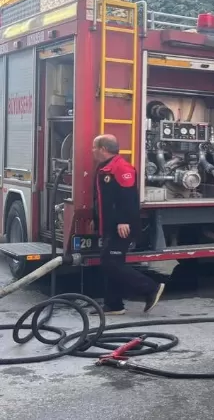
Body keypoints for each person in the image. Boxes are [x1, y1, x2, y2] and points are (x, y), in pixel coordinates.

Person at [91, 134, 165, 315]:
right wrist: (97, 219)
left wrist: (123, 221)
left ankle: (150, 288)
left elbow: (129, 198)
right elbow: (105, 200)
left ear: (103, 149)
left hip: (121, 227)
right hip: (109, 225)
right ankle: (113, 305)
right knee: (111, 262)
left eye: (94, 148)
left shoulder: (122, 168)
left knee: (111, 263)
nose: (92, 151)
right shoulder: (105, 168)